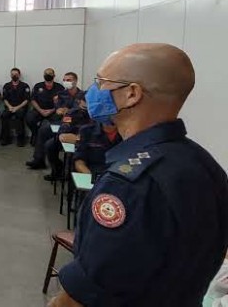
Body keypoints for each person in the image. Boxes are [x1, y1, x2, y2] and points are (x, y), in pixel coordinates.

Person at [49, 43, 228, 307]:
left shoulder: (127, 184)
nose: (94, 91)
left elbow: (85, 296)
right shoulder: (205, 164)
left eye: (102, 82)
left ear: (132, 94)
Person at [27, 72, 85, 170]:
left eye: (69, 80)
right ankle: (38, 160)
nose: (66, 82)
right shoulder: (61, 94)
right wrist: (60, 109)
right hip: (63, 122)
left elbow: (80, 112)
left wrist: (68, 111)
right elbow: (58, 108)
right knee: (43, 130)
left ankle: (59, 168)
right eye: (65, 80)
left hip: (76, 125)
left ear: (75, 81)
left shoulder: (82, 95)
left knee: (51, 144)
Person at [25, 68, 64, 145]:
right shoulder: (38, 86)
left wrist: (52, 110)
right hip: (39, 110)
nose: (48, 75)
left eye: (50, 74)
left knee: (59, 119)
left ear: (54, 75)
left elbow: (62, 102)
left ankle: (53, 139)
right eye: (46, 74)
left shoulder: (60, 87)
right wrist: (40, 110)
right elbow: (33, 100)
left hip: (53, 111)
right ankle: (36, 134)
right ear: (43, 75)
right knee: (29, 117)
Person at [0, 68, 31, 146]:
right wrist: (10, 107)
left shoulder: (25, 86)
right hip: (9, 107)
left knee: (19, 115)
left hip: (21, 107)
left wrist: (17, 108)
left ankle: (21, 140)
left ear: (19, 75)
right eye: (12, 74)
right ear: (10, 75)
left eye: (16, 74)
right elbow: (5, 99)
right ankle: (5, 139)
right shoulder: (7, 86)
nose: (14, 76)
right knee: (4, 116)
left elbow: (26, 100)